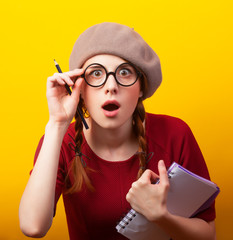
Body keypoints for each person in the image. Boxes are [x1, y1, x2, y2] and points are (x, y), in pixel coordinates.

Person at [19, 22, 216, 240]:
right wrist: (57, 124)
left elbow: (207, 235)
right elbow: (32, 226)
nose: (111, 86)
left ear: (141, 87)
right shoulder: (59, 143)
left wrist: (159, 215)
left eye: (124, 72)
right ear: (79, 89)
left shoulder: (175, 134)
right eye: (96, 73)